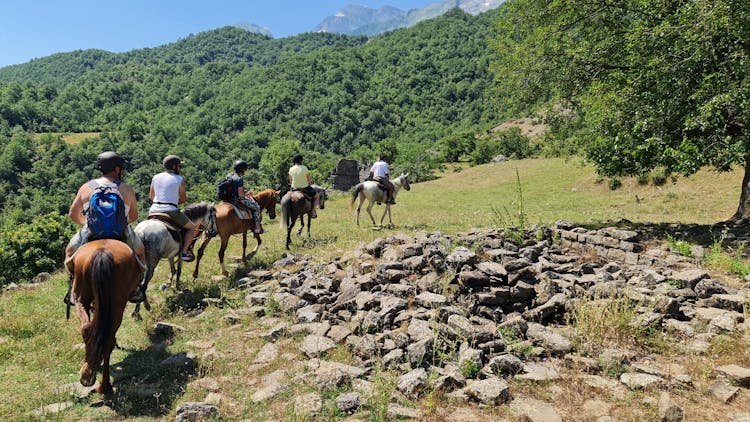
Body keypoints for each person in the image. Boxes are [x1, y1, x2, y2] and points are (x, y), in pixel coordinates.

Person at [64, 151, 147, 301]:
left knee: (69, 253)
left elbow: (72, 213)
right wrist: (118, 223)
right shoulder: (126, 189)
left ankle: (73, 288)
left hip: (91, 231)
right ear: (117, 169)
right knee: (141, 253)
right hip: (120, 232)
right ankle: (136, 289)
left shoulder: (86, 187)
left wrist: (87, 224)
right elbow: (134, 217)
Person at [149, 155, 199, 262]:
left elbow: (151, 196)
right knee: (192, 228)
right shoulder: (179, 179)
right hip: (170, 211)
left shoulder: (155, 177)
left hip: (153, 210)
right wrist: (174, 201)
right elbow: (183, 199)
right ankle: (184, 252)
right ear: (175, 166)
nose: (180, 168)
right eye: (179, 166)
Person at [227, 160, 263, 234]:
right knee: (256, 207)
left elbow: (234, 188)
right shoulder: (239, 179)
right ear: (242, 170)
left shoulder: (229, 175)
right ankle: (257, 227)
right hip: (237, 199)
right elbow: (240, 195)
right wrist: (247, 194)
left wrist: (245, 192)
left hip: (228, 198)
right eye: (245, 170)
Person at [288, 153, 320, 218]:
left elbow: (290, 181)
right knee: (316, 196)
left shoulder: (291, 169)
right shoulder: (305, 168)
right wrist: (309, 184)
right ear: (301, 160)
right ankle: (312, 211)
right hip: (304, 187)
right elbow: (309, 180)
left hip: (294, 188)